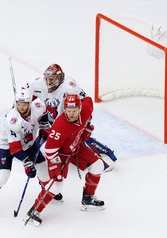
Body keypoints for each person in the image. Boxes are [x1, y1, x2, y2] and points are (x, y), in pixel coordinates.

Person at [27, 64, 117, 200]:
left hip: (68, 124)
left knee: (76, 141)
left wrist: (85, 125)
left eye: (52, 80)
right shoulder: (38, 83)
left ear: (59, 77)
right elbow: (24, 96)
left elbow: (85, 104)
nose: (49, 83)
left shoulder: (69, 86)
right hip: (50, 126)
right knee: (39, 156)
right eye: (47, 80)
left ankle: (104, 156)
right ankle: (47, 186)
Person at [25, 94, 106, 226]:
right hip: (60, 154)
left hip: (76, 147)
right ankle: (34, 211)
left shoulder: (86, 108)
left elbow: (88, 99)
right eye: (68, 111)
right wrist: (55, 168)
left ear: (80, 108)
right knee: (56, 186)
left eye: (74, 111)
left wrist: (86, 126)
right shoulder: (60, 126)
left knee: (98, 165)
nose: (71, 114)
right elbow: (50, 149)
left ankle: (88, 198)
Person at [0, 88, 50, 218]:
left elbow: (44, 113)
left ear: (29, 103)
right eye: (18, 104)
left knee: (43, 168)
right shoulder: (13, 120)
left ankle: (48, 192)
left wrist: (43, 124)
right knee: (2, 175)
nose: (21, 107)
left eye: (24, 104)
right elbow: (15, 149)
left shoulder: (38, 106)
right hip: (6, 146)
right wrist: (27, 163)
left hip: (28, 144)